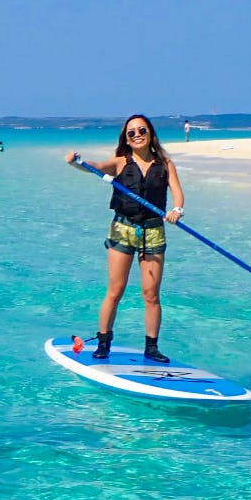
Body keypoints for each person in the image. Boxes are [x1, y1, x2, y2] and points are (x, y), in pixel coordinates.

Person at [64, 114, 185, 364]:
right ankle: (104, 342)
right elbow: (95, 167)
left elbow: (177, 195)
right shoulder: (120, 163)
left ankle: (151, 348)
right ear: (127, 140)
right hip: (122, 229)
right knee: (115, 290)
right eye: (131, 133)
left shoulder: (165, 163)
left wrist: (177, 211)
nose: (137, 134)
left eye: (142, 130)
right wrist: (77, 162)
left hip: (152, 231)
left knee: (151, 294)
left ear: (150, 133)